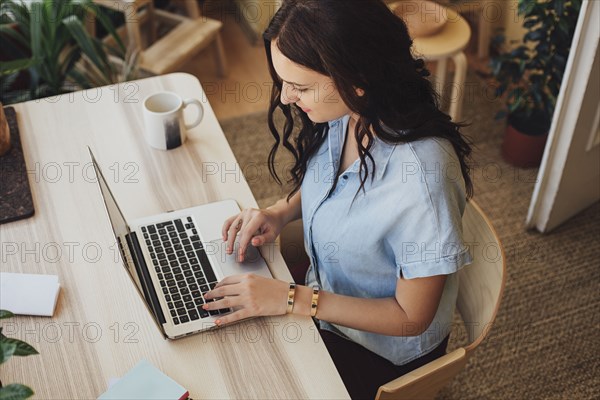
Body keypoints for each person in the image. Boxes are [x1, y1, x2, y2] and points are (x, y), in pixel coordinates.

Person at [203, 0, 474, 398]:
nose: (285, 99)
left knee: (248, 378)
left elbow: (411, 318)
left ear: (356, 77)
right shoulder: (349, 111)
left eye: (300, 86)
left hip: (381, 352)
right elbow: (332, 178)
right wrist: (280, 212)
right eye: (284, 83)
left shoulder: (421, 181)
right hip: (323, 299)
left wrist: (293, 299)